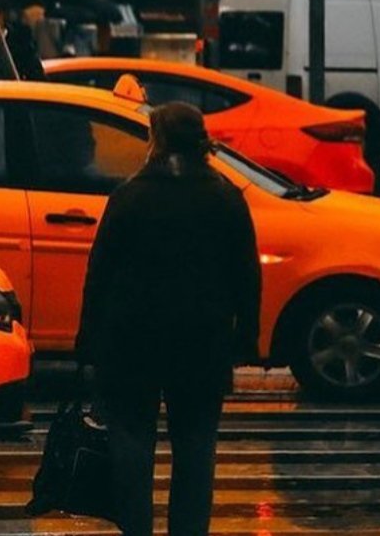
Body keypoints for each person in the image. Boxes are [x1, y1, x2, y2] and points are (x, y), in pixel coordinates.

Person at [76, 101, 261, 536]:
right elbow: (246, 275)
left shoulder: (129, 197)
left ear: (156, 141)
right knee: (196, 449)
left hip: (130, 344)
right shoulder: (225, 198)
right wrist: (246, 337)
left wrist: (87, 343)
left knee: (132, 447)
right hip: (202, 344)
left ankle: (136, 528)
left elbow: (98, 274)